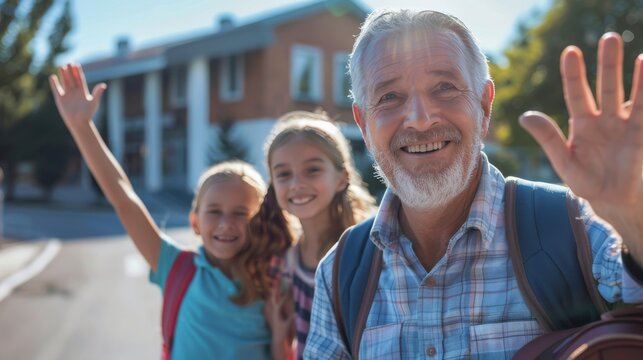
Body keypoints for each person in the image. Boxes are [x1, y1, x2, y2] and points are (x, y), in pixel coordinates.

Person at [304, 9, 643, 359]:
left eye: (444, 87)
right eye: (390, 96)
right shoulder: (341, 271)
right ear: (363, 125)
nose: (420, 120)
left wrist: (632, 215)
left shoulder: (577, 224)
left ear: (483, 105)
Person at [49, 64, 292, 360]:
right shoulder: (175, 266)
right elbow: (124, 199)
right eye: (214, 211)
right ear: (195, 222)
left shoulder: (271, 280)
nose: (226, 223)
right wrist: (81, 126)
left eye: (241, 213)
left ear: (259, 222)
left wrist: (281, 337)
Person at [251, 111, 376, 359]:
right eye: (284, 174)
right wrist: (279, 334)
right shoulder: (285, 265)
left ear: (342, 178)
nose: (296, 183)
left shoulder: (368, 252)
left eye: (312, 170)